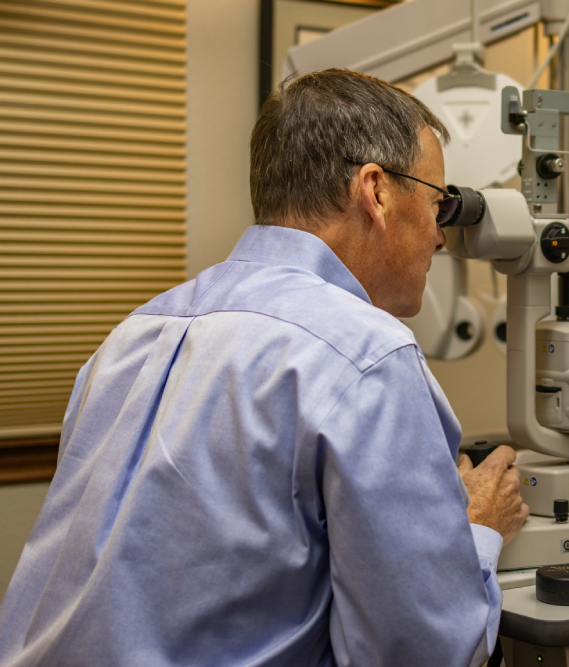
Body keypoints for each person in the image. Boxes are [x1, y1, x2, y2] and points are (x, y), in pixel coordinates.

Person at [0, 69, 528, 667]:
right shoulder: (366, 354)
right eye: (436, 203)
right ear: (376, 190)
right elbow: (420, 651)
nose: (439, 235)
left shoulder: (132, 336)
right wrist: (474, 534)